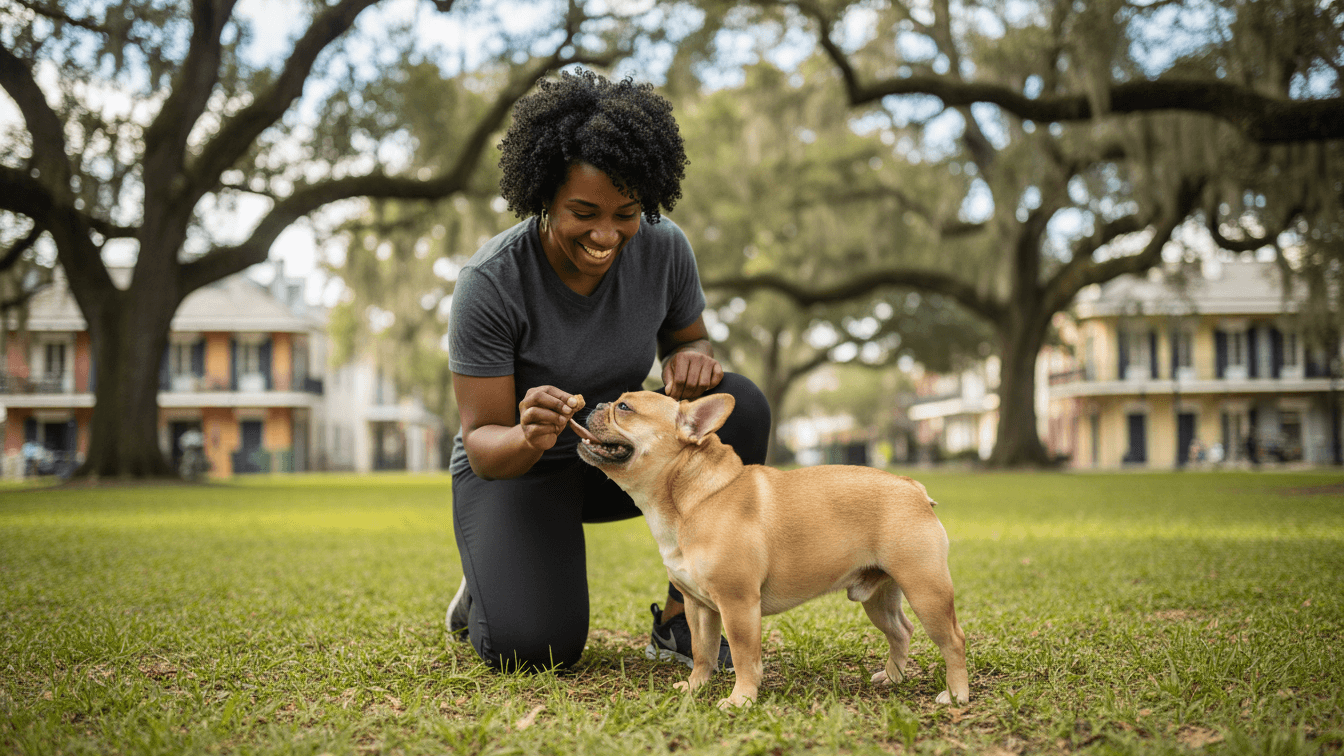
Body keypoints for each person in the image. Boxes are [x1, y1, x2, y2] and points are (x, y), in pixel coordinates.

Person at [445, 69, 772, 673]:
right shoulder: (490, 283)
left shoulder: (663, 245)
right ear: (543, 195)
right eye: (583, 212)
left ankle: (683, 621)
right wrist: (527, 434)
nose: (606, 234)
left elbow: (688, 339)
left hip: (624, 455)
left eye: (626, 212)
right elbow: (485, 446)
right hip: (520, 471)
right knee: (534, 650)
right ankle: (492, 579)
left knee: (741, 404)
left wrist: (687, 356)